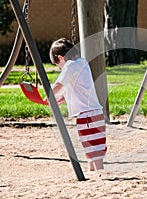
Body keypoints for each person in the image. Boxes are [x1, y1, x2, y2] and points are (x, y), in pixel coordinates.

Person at [48, 38, 106, 171]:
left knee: (93, 149)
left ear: (61, 58)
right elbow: (77, 85)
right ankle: (93, 172)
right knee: (93, 147)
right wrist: (64, 96)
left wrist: (48, 95)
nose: (60, 68)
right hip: (95, 113)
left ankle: (100, 174)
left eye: (58, 64)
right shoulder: (82, 62)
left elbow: (58, 85)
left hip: (86, 116)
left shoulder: (69, 66)